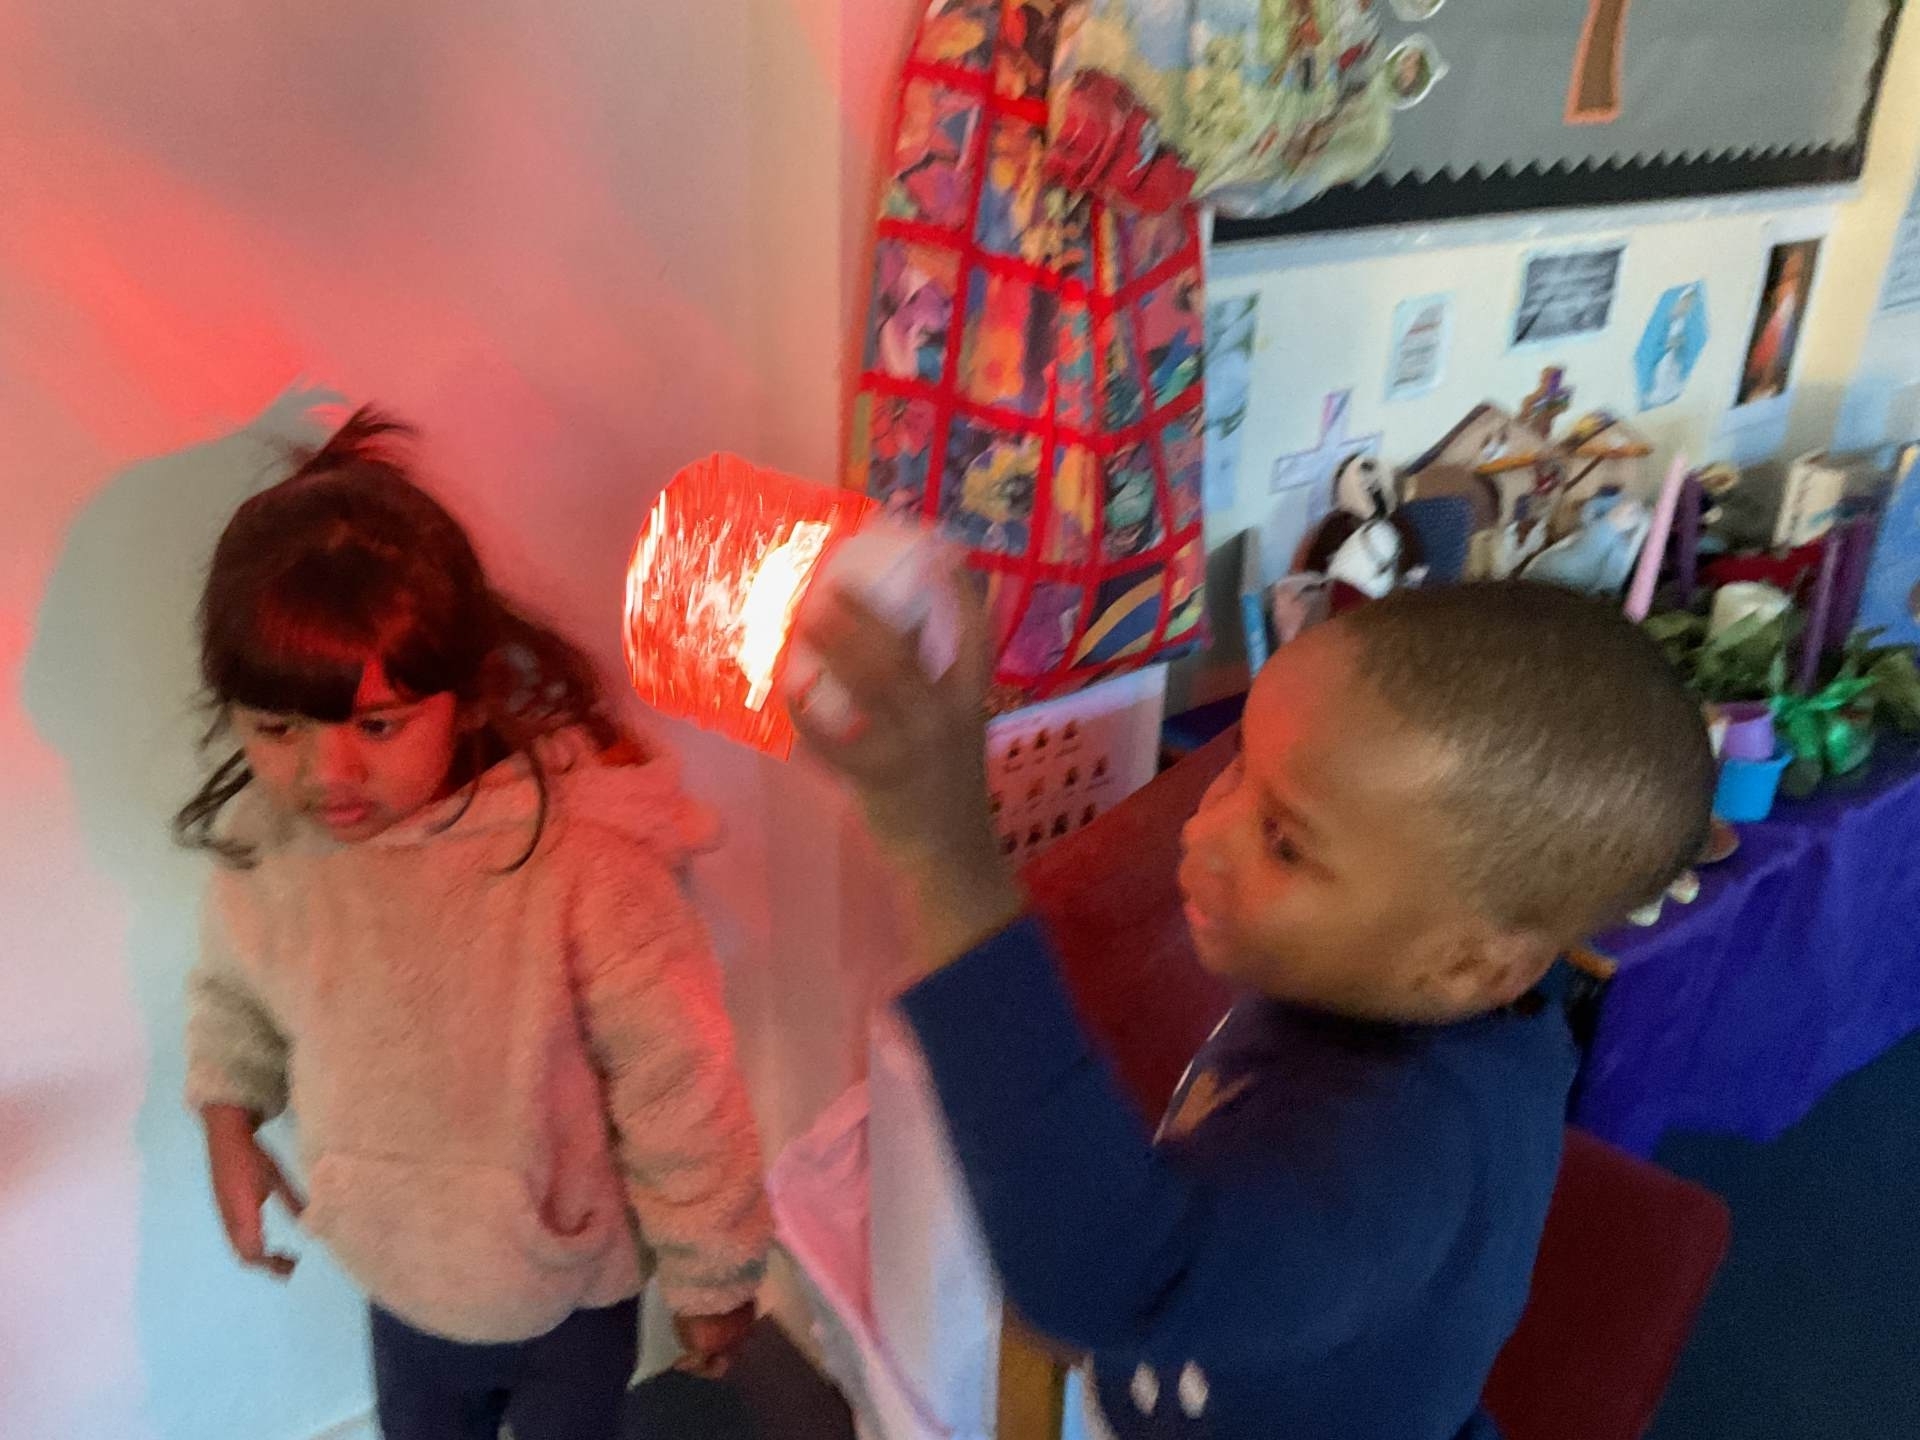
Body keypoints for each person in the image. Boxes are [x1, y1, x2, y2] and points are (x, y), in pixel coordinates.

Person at [792, 578, 1714, 1440]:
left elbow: (1112, 1274)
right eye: (1238, 766)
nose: (1203, 831)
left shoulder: (1401, 1152)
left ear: (1470, 961)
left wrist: (942, 853)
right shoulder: (1400, 978)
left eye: (1284, 843)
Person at [179, 409, 770, 1440]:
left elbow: (678, 1083)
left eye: (377, 726)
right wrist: (228, 1122)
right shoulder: (272, 851)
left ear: (469, 698)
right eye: (276, 728)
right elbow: (235, 997)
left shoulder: (583, 865)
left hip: (567, 1296)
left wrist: (713, 1271)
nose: (327, 773)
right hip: (403, 1285)